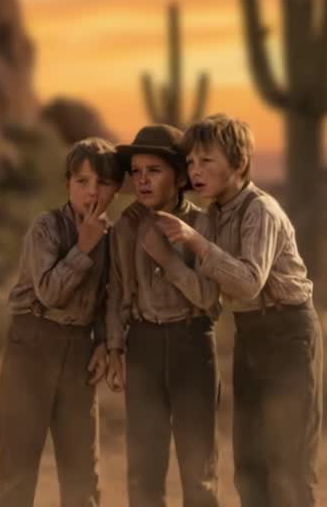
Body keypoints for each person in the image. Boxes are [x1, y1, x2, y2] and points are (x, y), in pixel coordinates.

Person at [152, 114, 321, 507]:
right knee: (249, 462)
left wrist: (195, 243)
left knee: (290, 463)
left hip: (289, 334)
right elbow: (207, 294)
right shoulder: (211, 217)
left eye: (206, 161)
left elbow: (247, 282)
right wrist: (168, 261)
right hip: (250, 334)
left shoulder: (261, 211)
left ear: (240, 162)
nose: (196, 171)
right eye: (191, 163)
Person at [0, 137, 121, 507]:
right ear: (67, 183)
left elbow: (112, 297)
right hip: (32, 344)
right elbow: (49, 291)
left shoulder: (114, 239)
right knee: (18, 466)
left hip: (79, 349)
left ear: (116, 188)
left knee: (82, 470)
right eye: (82, 182)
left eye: (103, 183)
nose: (92, 192)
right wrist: (83, 247)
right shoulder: (46, 228)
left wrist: (105, 342)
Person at [106, 124, 220, 506]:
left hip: (192, 344)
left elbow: (209, 300)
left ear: (179, 176)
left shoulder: (203, 226)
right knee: (143, 473)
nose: (142, 180)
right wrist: (116, 348)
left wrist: (168, 258)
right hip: (143, 346)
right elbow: (118, 292)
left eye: (153, 170)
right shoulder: (125, 227)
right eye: (136, 172)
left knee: (198, 471)